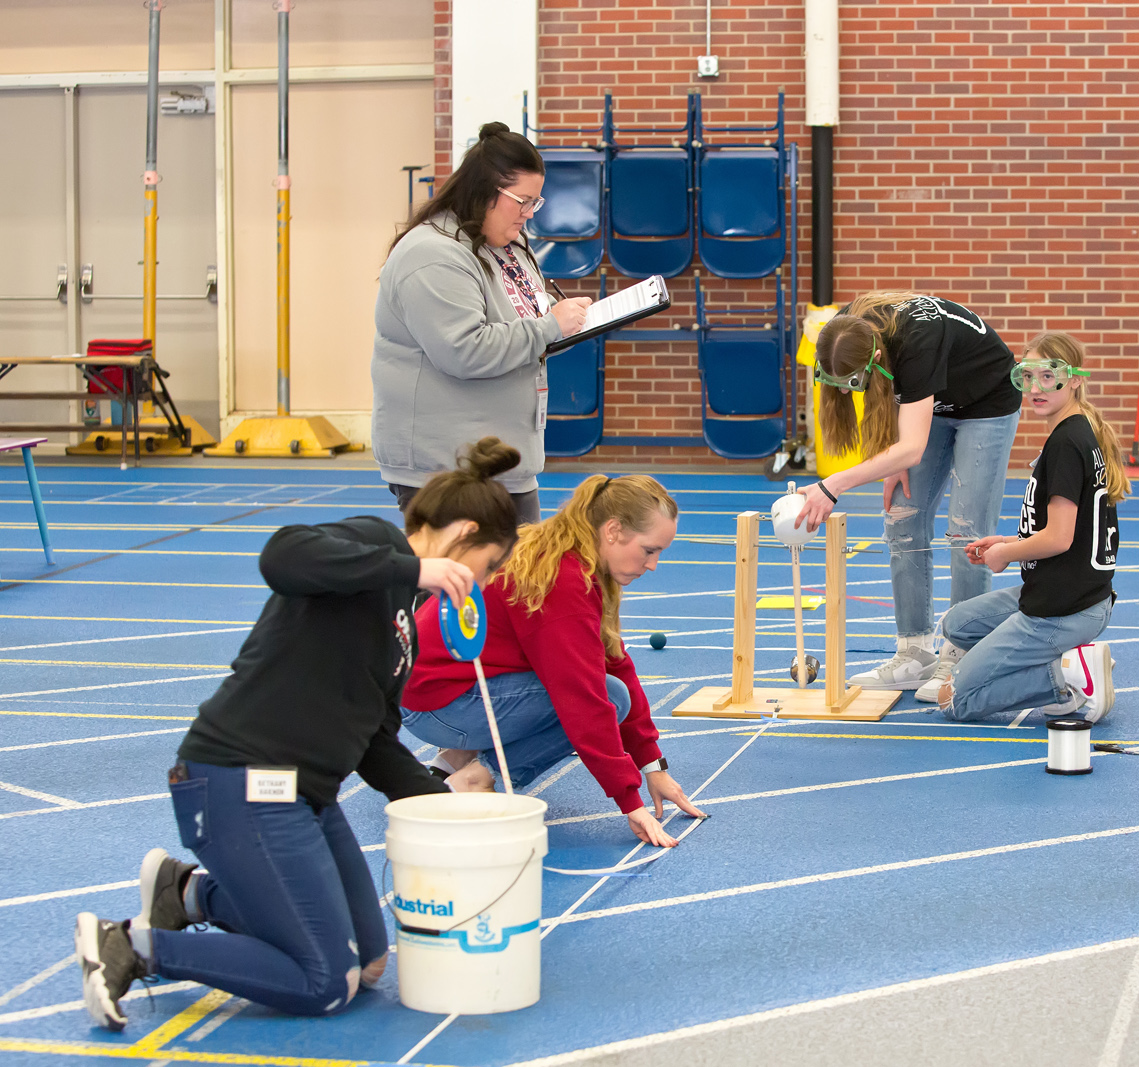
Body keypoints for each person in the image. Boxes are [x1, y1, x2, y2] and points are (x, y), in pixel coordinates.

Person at [72, 438, 524, 1031]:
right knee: (324, 983)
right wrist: (414, 566)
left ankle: (185, 893)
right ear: (462, 535)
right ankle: (132, 945)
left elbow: (374, 744)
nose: (484, 583)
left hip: (303, 796)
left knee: (367, 963)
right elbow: (282, 557)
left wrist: (448, 814)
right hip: (237, 779)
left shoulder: (402, 623)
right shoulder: (376, 545)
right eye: (487, 565)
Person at [402, 474, 706, 847]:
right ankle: (473, 779)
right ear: (613, 531)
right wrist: (630, 801)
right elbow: (584, 698)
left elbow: (614, 659)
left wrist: (652, 765)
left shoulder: (568, 552)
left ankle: (454, 760)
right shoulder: (564, 580)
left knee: (597, 681)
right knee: (609, 698)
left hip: (428, 689)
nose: (654, 564)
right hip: (434, 705)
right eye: (649, 550)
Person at [797, 293, 1022, 700]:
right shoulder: (842, 331)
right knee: (902, 516)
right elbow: (894, 409)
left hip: (986, 401)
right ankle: (914, 652)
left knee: (966, 532)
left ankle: (962, 651)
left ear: (877, 354)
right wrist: (892, 457)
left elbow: (913, 447)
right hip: (932, 402)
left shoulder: (919, 340)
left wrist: (833, 486)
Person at [372, 121, 595, 526]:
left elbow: (521, 316)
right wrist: (549, 328)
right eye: (522, 201)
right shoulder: (432, 254)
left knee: (517, 586)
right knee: (458, 588)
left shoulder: (506, 246)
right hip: (448, 471)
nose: (529, 215)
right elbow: (464, 350)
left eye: (535, 203)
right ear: (484, 191)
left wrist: (569, 324)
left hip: (503, 461)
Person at [935, 332, 1123, 722]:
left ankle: (1067, 675)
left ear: (1073, 379)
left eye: (1048, 376)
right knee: (958, 623)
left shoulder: (1068, 443)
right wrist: (1005, 540)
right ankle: (1063, 661)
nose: (1036, 388)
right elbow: (1068, 529)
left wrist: (1006, 554)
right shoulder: (1075, 430)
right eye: (1027, 377)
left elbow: (1058, 537)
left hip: (1063, 608)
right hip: (1067, 593)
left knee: (958, 701)